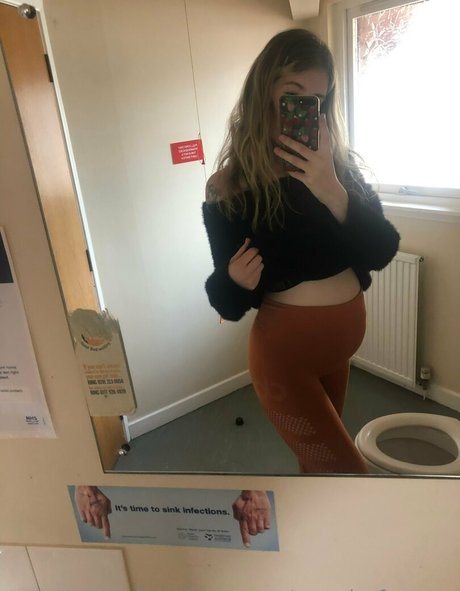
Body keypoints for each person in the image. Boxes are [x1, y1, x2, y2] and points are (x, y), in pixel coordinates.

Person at [202, 28, 400, 474]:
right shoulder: (230, 186)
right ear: (264, 93)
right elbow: (226, 302)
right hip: (284, 358)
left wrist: (331, 188)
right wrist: (233, 280)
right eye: (293, 95)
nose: (305, 108)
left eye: (316, 99)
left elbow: (382, 250)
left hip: (338, 349)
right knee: (346, 474)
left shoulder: (340, 170)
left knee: (317, 468)